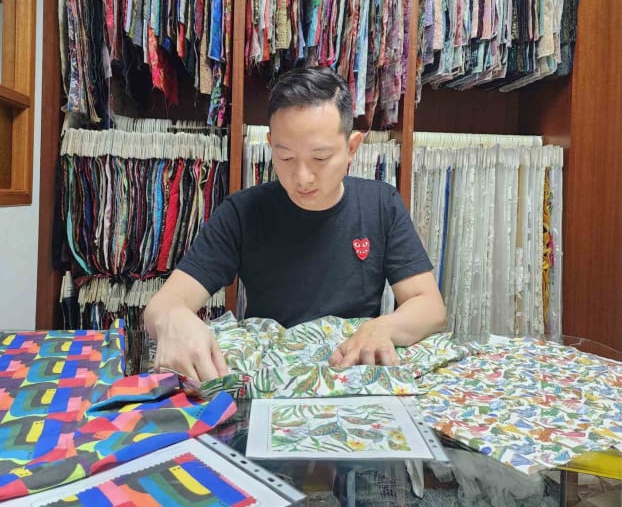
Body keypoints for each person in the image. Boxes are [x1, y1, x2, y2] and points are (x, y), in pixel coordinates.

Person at [144, 66, 446, 382]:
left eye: (320, 158)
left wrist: (382, 328)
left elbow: (429, 306)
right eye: (286, 157)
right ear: (271, 144)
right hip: (271, 380)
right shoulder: (242, 212)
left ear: (351, 148)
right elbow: (161, 306)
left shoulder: (381, 204)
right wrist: (173, 319)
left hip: (352, 375)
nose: (302, 178)